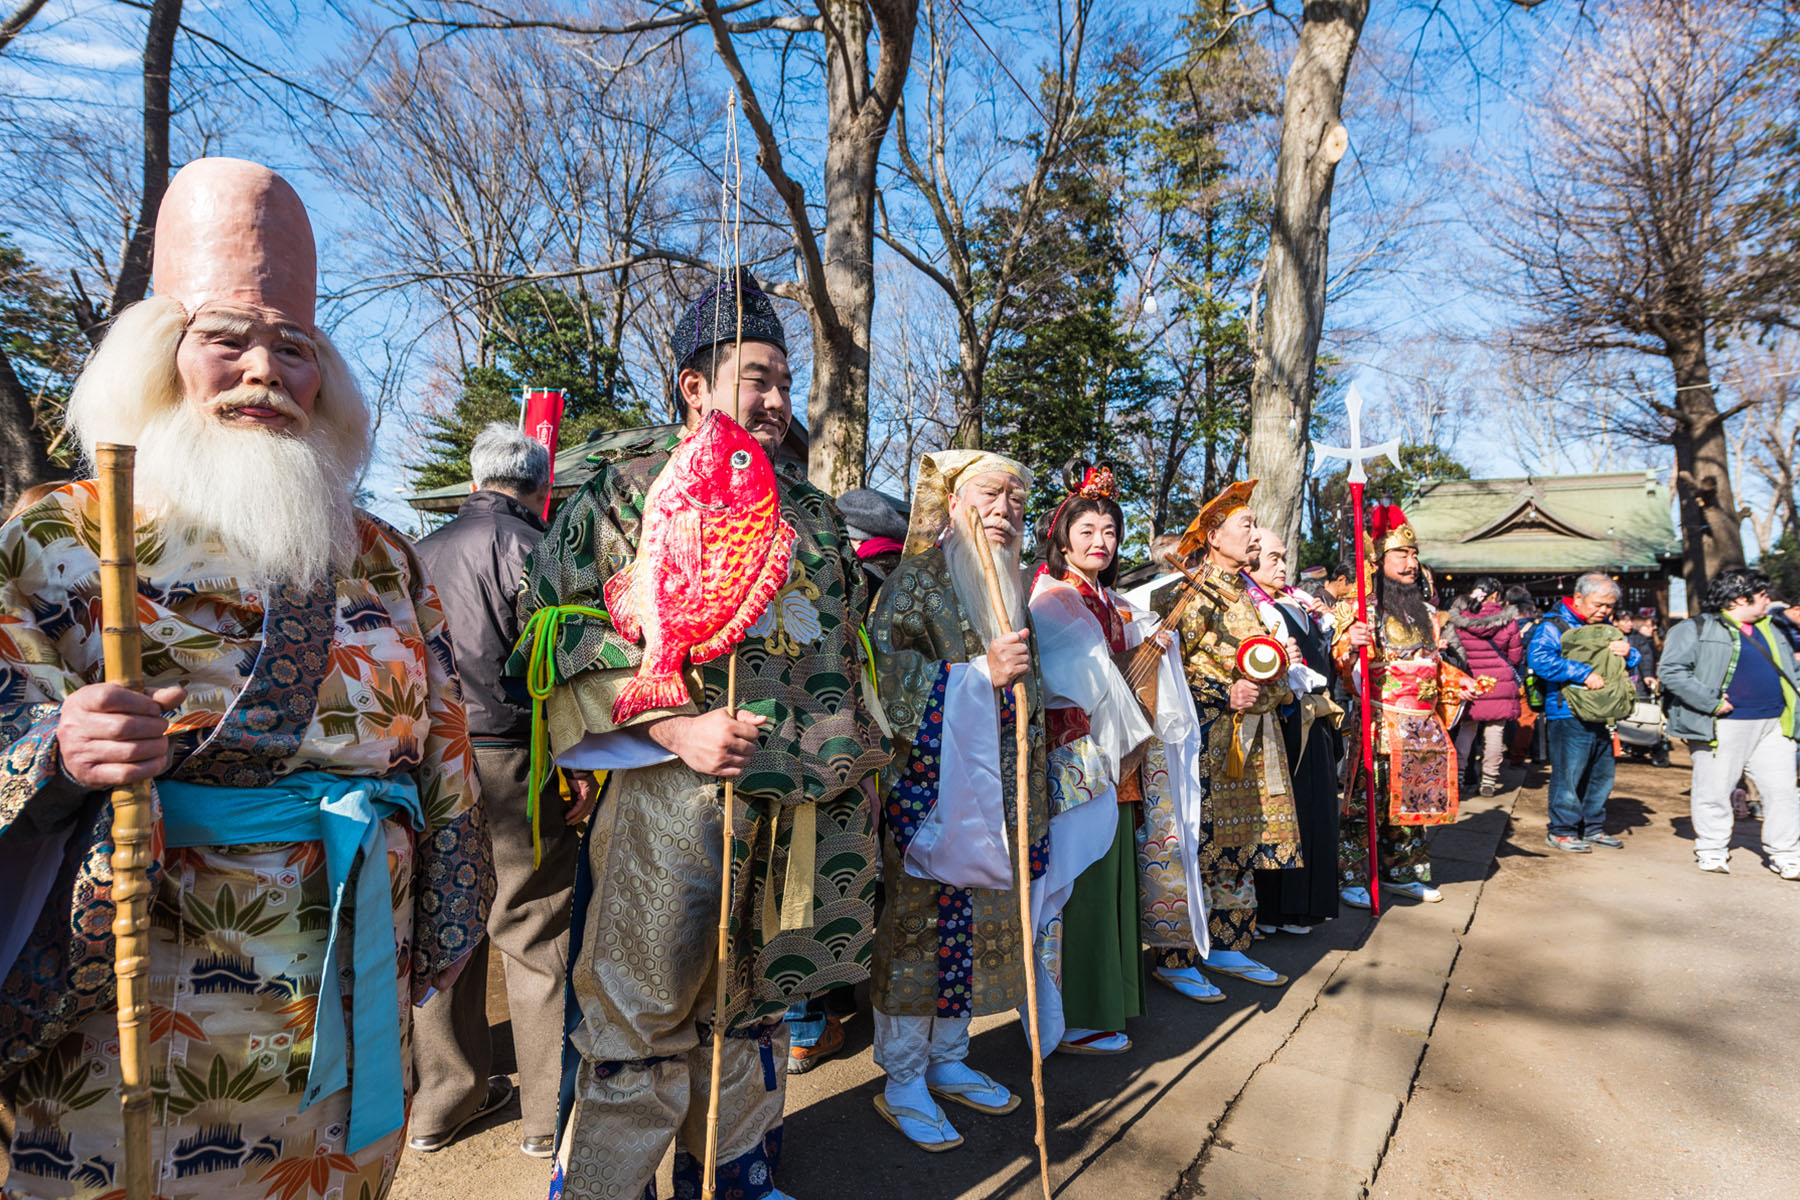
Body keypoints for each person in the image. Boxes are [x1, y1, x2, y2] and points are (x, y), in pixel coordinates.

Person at [0, 158, 493, 1200]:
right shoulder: (64, 536)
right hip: (133, 1014)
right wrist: (58, 749)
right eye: (226, 337)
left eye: (295, 346)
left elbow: (445, 753)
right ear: (158, 353)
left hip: (346, 999)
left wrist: (440, 923)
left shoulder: (378, 554)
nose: (264, 370)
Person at [511, 270, 890, 1199]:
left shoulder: (808, 512)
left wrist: (849, 763)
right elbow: (553, 628)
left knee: (756, 999)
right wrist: (676, 726)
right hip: (666, 799)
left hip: (792, 800)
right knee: (642, 1011)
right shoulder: (629, 491)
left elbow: (845, 646)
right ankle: (612, 1183)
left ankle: (735, 1166)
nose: (775, 399)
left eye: (784, 380)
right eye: (756, 376)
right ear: (694, 384)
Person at [410, 423, 596, 1157]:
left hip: (435, 757)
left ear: (474, 476)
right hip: (520, 753)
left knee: (444, 920)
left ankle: (440, 1101)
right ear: (540, 482)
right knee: (533, 922)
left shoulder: (418, 551)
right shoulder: (538, 549)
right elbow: (561, 667)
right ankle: (547, 1113)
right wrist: (577, 758)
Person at [864, 448, 1049, 1151]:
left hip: (999, 789)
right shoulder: (915, 579)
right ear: (953, 503)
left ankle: (949, 1057)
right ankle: (903, 1075)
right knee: (919, 926)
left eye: (1015, 500)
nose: (1004, 511)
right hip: (928, 788)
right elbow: (881, 674)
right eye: (990, 496)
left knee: (969, 928)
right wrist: (975, 675)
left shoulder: (1011, 584)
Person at [1027, 462, 1206, 1056]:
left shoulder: (1112, 599)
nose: (1099, 541)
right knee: (1079, 877)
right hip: (1073, 754)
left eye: (1108, 531)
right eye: (1087, 530)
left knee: (1112, 873)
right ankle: (1075, 1010)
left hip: (1119, 753)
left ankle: (1114, 997)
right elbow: (1065, 679)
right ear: (1061, 537)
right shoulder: (1050, 597)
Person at [1162, 480, 1297, 989]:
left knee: (1238, 846)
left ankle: (1231, 942)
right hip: (1209, 740)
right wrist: (1220, 693)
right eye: (1246, 526)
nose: (1256, 536)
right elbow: (1167, 668)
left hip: (1253, 735)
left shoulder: (1248, 596)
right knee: (1196, 843)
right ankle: (1177, 955)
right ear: (1213, 536)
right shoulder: (1190, 594)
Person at [1335, 504, 1485, 908]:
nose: (1411, 562)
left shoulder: (1425, 614)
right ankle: (1352, 874)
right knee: (1369, 799)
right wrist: (1350, 645)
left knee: (1413, 804)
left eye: (1414, 554)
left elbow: (1432, 668)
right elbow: (1340, 661)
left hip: (1422, 724)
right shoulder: (1360, 608)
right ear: (1377, 559)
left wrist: (1460, 683)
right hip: (1380, 718)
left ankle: (1404, 871)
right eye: (1401, 554)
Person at [1658, 568, 1800, 878]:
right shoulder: (1694, 628)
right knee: (1714, 789)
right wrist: (1712, 701)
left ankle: (1787, 853)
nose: (1768, 600)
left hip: (1775, 723)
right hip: (1722, 723)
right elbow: (1671, 671)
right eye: (1762, 595)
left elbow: (1790, 672)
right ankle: (1712, 848)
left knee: (1783, 791)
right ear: (1739, 597)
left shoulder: (1772, 628)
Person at [1244, 528, 1342, 934]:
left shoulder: (1303, 604)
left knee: (1317, 810)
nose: (1283, 566)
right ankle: (1275, 907)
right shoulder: (1253, 606)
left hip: (1315, 714)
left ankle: (1308, 904)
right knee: (1284, 814)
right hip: (1281, 721)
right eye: (1272, 558)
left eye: (1284, 557)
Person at [1526, 573, 1638, 853]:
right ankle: (1562, 830)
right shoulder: (1554, 625)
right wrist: (1583, 673)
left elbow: (1627, 664)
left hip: (1604, 711)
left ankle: (1593, 828)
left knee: (1601, 775)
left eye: (1610, 606)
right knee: (1569, 774)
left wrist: (1630, 653)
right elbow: (1539, 660)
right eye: (1599, 604)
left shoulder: (1606, 627)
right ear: (1578, 598)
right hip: (1567, 710)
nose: (1604, 611)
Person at [1448, 576, 1523, 797]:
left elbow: (1455, 653)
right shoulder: (1508, 621)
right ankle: (1489, 779)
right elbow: (1515, 656)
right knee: (1495, 732)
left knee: (1467, 730)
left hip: (1470, 681)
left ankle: (1460, 775)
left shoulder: (1460, 619)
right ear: (1496, 595)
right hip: (1499, 683)